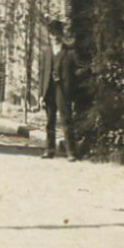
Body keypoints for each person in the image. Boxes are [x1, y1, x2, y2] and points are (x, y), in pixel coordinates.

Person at [39, 19, 77, 161]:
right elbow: (42, 74)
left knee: (66, 120)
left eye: (57, 33)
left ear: (61, 34)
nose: (55, 36)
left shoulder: (69, 53)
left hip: (63, 91)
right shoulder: (46, 53)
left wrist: (70, 89)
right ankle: (49, 150)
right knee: (50, 121)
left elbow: (74, 74)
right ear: (49, 35)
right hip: (49, 90)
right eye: (52, 34)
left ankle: (70, 152)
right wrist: (40, 94)